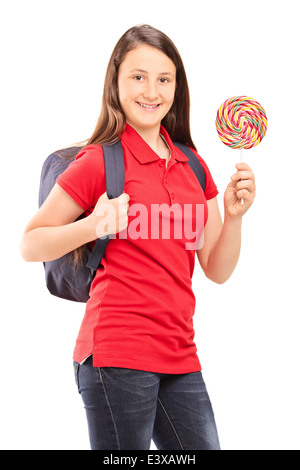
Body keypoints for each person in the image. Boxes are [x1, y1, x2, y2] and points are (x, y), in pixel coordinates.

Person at [20, 24, 256, 451]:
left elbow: (217, 270)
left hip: (181, 356)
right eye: (138, 77)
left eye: (164, 79)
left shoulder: (194, 167)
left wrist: (235, 217)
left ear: (176, 87)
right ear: (116, 82)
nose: (152, 91)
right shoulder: (99, 161)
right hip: (116, 354)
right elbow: (30, 242)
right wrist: (93, 226)